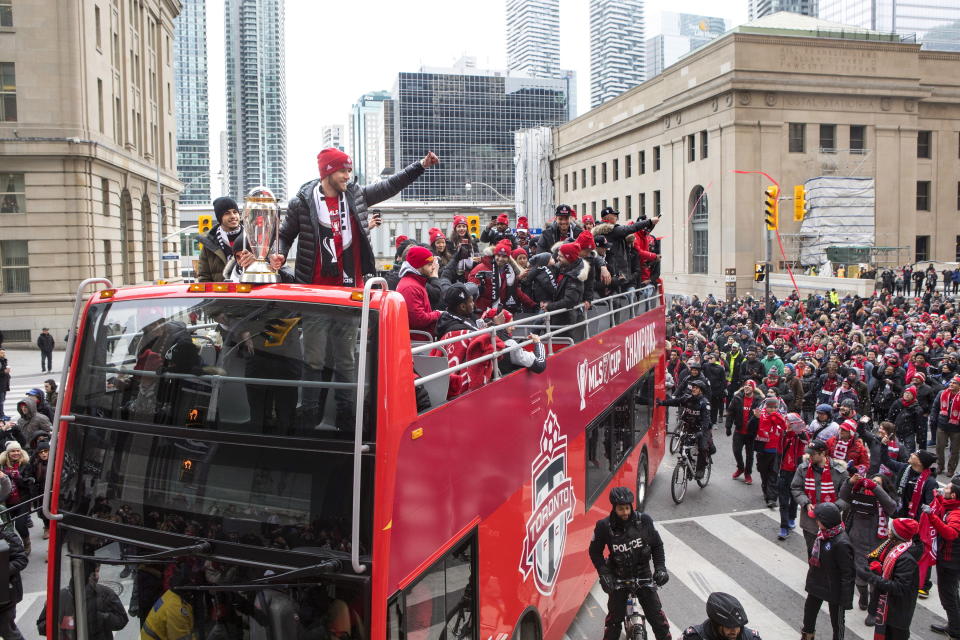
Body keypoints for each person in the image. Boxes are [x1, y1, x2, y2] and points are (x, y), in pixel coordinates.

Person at [271, 147, 438, 286]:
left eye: (349, 171)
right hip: (314, 293)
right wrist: (279, 253)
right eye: (342, 171)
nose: (347, 176)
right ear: (327, 173)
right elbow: (284, 236)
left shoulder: (356, 196)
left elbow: (390, 185)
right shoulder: (301, 203)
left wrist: (421, 165)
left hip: (351, 290)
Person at [589, 487, 672, 640]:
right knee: (613, 623)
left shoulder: (644, 521)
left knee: (659, 621)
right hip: (618, 577)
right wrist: (604, 574)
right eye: (621, 509)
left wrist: (660, 568)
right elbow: (595, 552)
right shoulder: (603, 526)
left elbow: (657, 545)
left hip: (643, 576)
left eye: (627, 508)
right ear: (614, 508)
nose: (625, 512)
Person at [838, 467, 897, 623]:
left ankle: (873, 610)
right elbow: (843, 496)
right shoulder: (859, 496)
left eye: (878, 483)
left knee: (876, 580)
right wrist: (850, 482)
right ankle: (863, 597)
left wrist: (875, 488)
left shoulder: (884, 503)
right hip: (857, 541)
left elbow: (892, 507)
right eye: (871, 481)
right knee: (859, 577)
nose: (872, 484)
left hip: (879, 544)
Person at [856, 518, 920, 640]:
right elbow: (879, 560)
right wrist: (873, 568)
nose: (888, 530)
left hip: (898, 610)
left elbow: (899, 587)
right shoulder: (891, 545)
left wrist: (871, 577)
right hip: (888, 605)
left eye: (891, 529)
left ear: (897, 535)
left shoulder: (907, 559)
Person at [801, 502, 855, 640]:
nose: (816, 521)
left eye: (818, 519)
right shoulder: (822, 534)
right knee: (809, 614)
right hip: (817, 581)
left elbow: (848, 573)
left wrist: (846, 599)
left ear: (826, 521)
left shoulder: (841, 543)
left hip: (834, 588)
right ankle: (807, 636)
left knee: (837, 623)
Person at [37, 563, 129, 639]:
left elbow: (122, 620)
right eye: (94, 572)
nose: (97, 576)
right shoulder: (60, 597)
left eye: (98, 571)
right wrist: (58, 623)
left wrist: (102, 617)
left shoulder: (106, 593)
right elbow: (41, 627)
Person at [792, 439, 850, 554]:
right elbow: (796, 488)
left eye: (813, 454)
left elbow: (847, 495)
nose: (810, 457)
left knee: (830, 557)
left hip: (831, 524)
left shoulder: (840, 471)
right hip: (810, 523)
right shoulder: (802, 469)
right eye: (809, 453)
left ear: (823, 453)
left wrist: (834, 508)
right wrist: (806, 503)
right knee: (812, 554)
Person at [926, 476, 960, 638]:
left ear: (954, 495)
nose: (943, 489)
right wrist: (939, 498)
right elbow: (946, 507)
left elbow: (950, 533)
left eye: (947, 489)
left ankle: (954, 629)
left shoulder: (956, 514)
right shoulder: (954, 506)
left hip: (950, 562)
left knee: (948, 595)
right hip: (950, 559)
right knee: (952, 592)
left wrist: (932, 517)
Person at [659, 379, 713, 479]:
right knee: (683, 448)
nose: (693, 389)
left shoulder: (704, 403)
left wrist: (701, 433)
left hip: (702, 430)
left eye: (696, 388)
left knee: (703, 447)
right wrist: (662, 403)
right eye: (693, 387)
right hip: (689, 428)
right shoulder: (687, 398)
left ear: (701, 390)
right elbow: (675, 402)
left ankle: (701, 469)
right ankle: (688, 466)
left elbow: (706, 420)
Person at [396, 246, 442, 335]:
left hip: (422, 338)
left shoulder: (415, 282)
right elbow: (418, 320)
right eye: (429, 264)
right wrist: (438, 314)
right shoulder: (411, 287)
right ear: (418, 266)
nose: (433, 268)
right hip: (420, 341)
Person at [778, 413, 810, 539]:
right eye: (787, 422)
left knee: (794, 497)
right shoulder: (782, 434)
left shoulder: (800, 436)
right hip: (783, 471)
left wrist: (798, 429)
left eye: (790, 422)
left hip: (796, 472)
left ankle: (792, 517)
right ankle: (783, 526)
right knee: (783, 500)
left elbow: (806, 440)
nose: (787, 424)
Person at [197, 196, 242, 283]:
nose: (233, 216)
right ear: (219, 217)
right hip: (220, 295)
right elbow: (204, 277)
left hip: (248, 295)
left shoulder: (250, 237)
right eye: (227, 213)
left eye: (235, 212)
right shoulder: (209, 242)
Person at [682, 592, 761, 640]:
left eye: (738, 626)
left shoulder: (751, 638)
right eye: (729, 627)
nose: (734, 631)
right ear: (716, 624)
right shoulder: (694, 637)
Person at [754, 396, 786, 509]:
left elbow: (784, 426)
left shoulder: (779, 416)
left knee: (773, 474)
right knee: (763, 472)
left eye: (775, 407)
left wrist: (775, 415)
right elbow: (752, 428)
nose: (772, 410)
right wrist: (756, 418)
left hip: (775, 451)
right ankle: (766, 490)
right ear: (766, 407)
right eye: (770, 407)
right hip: (762, 450)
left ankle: (772, 498)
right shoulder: (760, 416)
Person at [0, 526, 27, 640]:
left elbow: (21, 560)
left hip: (5, 595)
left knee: (7, 630)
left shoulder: (7, 537)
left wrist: (3, 570)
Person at [932, 375, 960, 476]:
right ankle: (940, 466)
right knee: (939, 447)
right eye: (951, 382)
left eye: (954, 383)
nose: (951, 384)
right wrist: (933, 419)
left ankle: (951, 469)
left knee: (954, 451)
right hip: (942, 425)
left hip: (956, 428)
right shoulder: (942, 393)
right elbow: (935, 407)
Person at [0, 349, 8, 419]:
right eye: (2, 353)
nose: (3, 354)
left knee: (2, 400)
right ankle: (1, 415)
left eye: (4, 353)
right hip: (1, 385)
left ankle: (2, 414)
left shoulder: (4, 360)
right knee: (1, 401)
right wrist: (4, 372)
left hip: (4, 383)